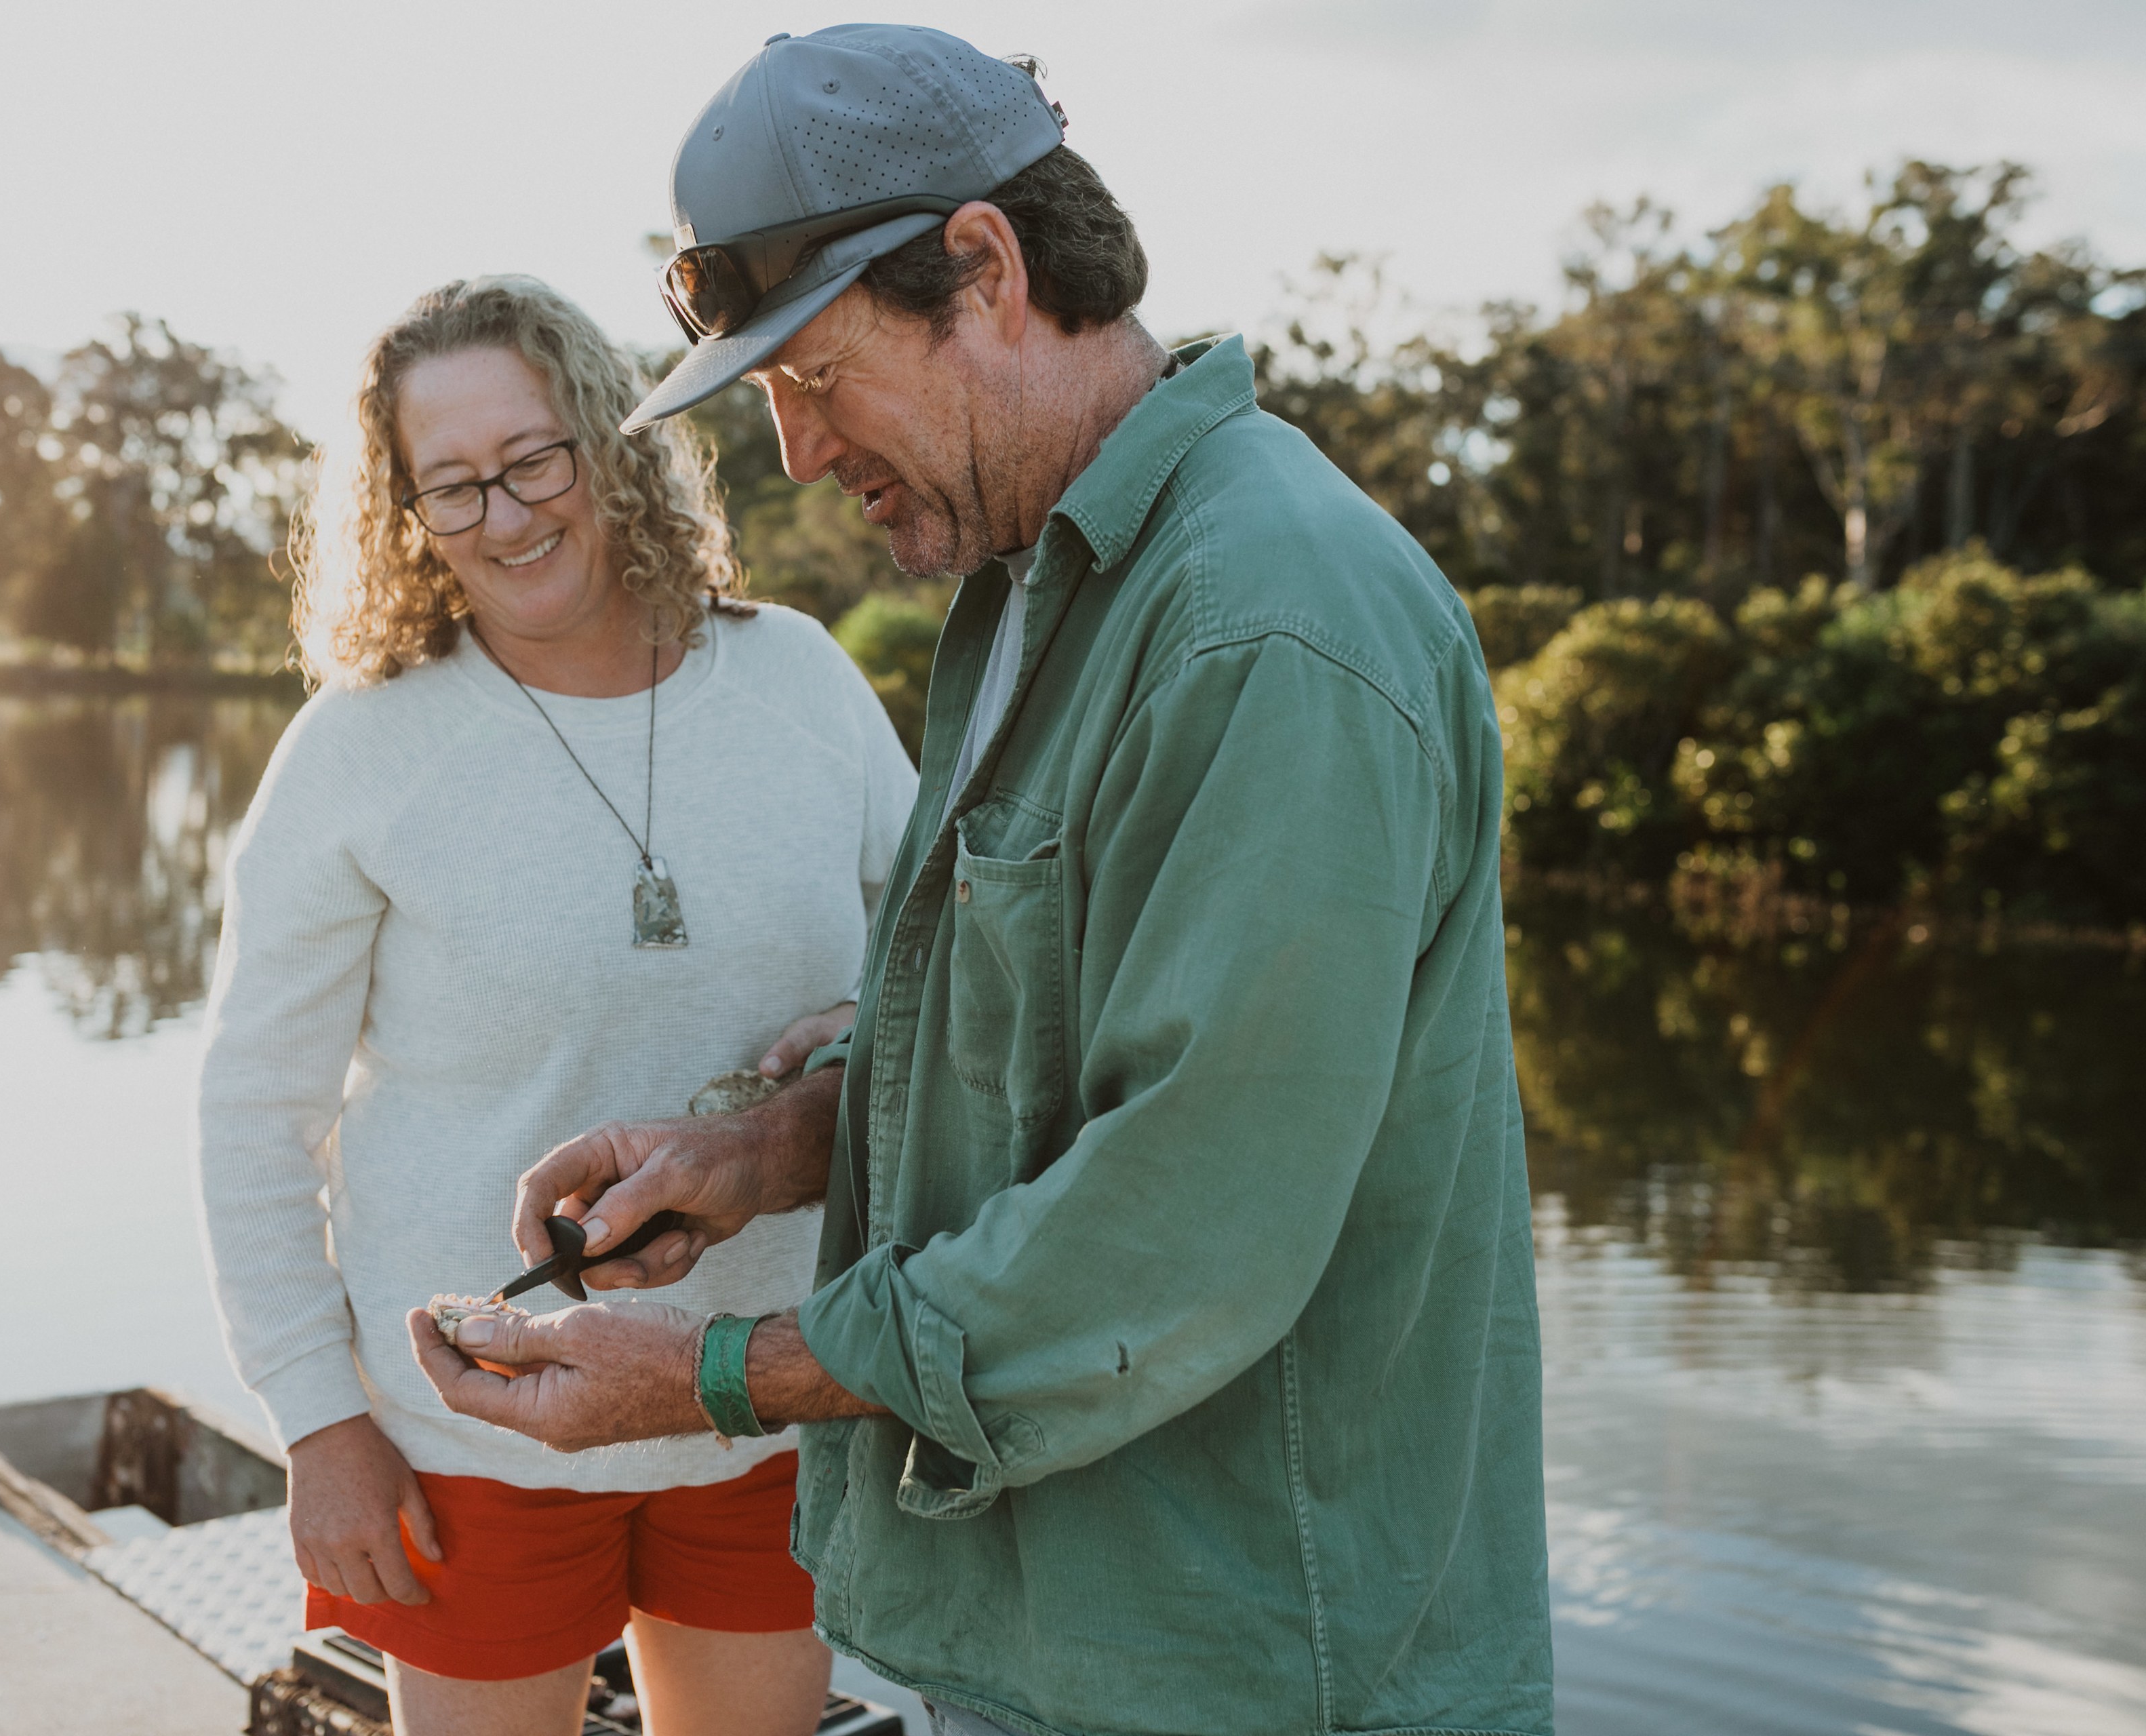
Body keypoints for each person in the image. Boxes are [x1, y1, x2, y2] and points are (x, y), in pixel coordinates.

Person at [411, 28, 1555, 1736]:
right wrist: (759, 1151)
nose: (795, 454)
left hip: (1257, 1673)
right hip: (1073, 1646)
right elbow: (1045, 1051)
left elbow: (1180, 1216)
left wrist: (723, 1374)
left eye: (814, 375)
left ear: (985, 268)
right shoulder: (1036, 587)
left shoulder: (1269, 625)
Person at [195, 275, 917, 1736]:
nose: (506, 517)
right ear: (406, 509)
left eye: (533, 460)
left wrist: (848, 1039)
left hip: (763, 1398)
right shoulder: (362, 746)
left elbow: (947, 975)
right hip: (474, 1430)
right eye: (450, 486)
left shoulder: (802, 681)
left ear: (611, 441)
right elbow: (252, 1116)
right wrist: (321, 1424)